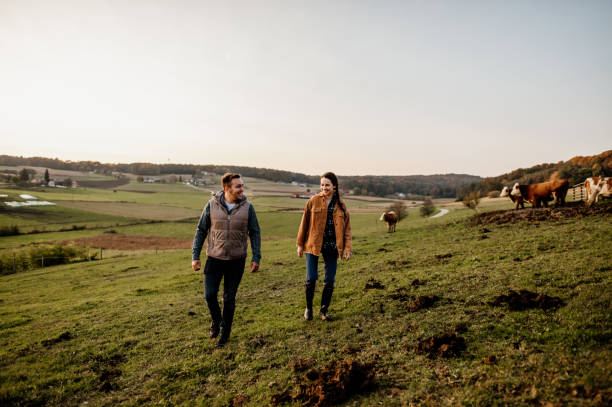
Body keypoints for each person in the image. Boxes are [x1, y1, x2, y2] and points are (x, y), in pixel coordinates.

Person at [192, 173, 261, 348]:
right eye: (238, 186)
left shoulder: (248, 208)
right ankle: (216, 321)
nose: (242, 189)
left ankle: (225, 332)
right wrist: (195, 256)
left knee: (229, 299)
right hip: (214, 258)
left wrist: (256, 256)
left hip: (236, 261)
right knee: (209, 295)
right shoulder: (211, 205)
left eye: (242, 185)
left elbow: (255, 232)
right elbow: (201, 230)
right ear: (227, 188)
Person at [296, 172, 352, 321]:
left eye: (327, 185)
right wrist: (300, 244)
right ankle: (308, 308)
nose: (324, 187)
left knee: (330, 280)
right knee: (311, 278)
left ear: (334, 186)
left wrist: (347, 248)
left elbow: (347, 229)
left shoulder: (341, 205)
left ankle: (323, 311)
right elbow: (304, 224)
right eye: (322, 185)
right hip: (313, 244)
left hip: (333, 246)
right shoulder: (313, 201)